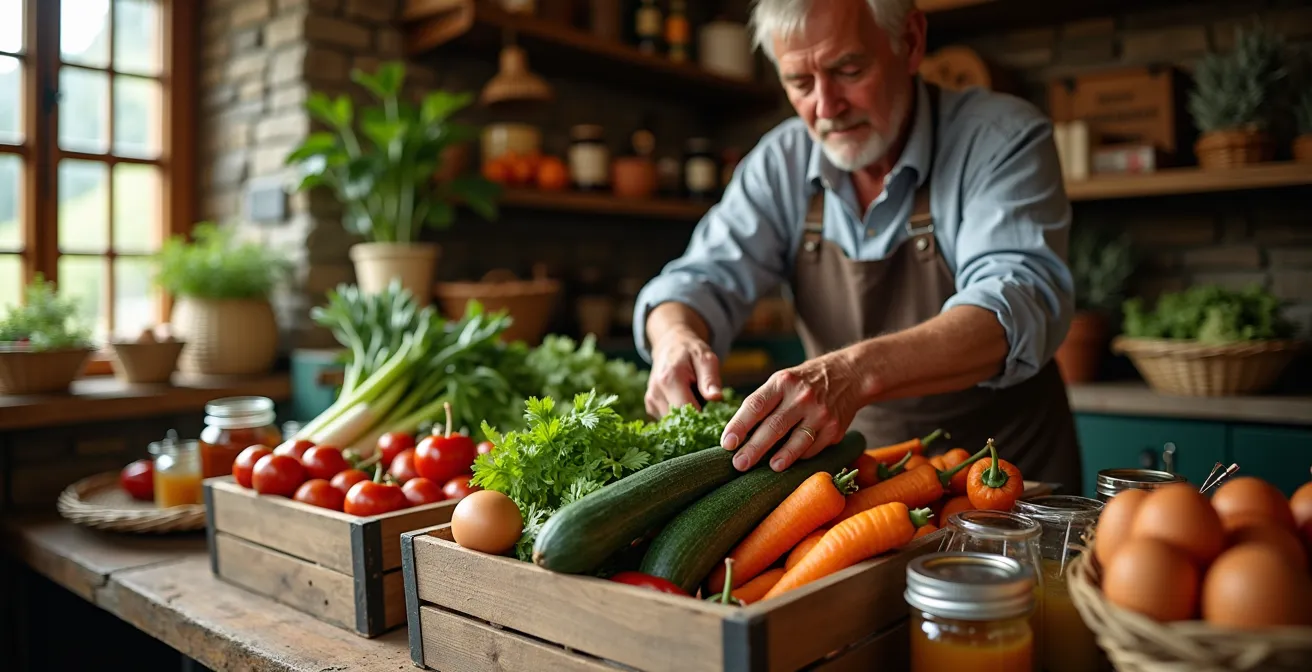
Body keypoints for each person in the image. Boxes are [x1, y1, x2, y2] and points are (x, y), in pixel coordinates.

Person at [632, 0, 1081, 489]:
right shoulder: (779, 164)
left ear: (910, 42)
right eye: (800, 83)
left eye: (848, 70)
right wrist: (675, 337)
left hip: (1007, 486)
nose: (826, 108)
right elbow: (696, 280)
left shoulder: (1001, 139)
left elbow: (1013, 305)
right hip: (865, 488)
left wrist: (850, 374)